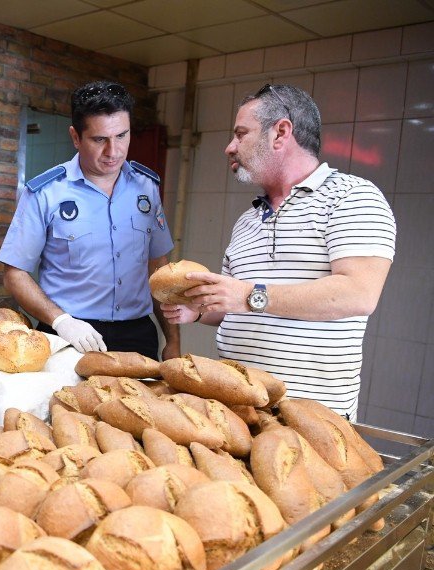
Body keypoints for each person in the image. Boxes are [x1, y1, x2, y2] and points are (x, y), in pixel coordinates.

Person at [162, 84, 395, 420]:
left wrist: (248, 295)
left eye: (241, 134)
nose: (229, 147)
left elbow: (358, 294)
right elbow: (238, 306)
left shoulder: (351, 197)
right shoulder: (247, 220)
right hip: (238, 411)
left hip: (308, 420)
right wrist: (198, 311)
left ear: (281, 133)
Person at [0, 81, 180, 361]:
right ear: (75, 137)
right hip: (69, 336)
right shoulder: (46, 192)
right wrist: (61, 322)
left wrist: (173, 339)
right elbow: (15, 274)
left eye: (121, 136)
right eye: (99, 139)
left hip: (138, 336)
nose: (113, 151)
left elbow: (160, 269)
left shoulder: (146, 187)